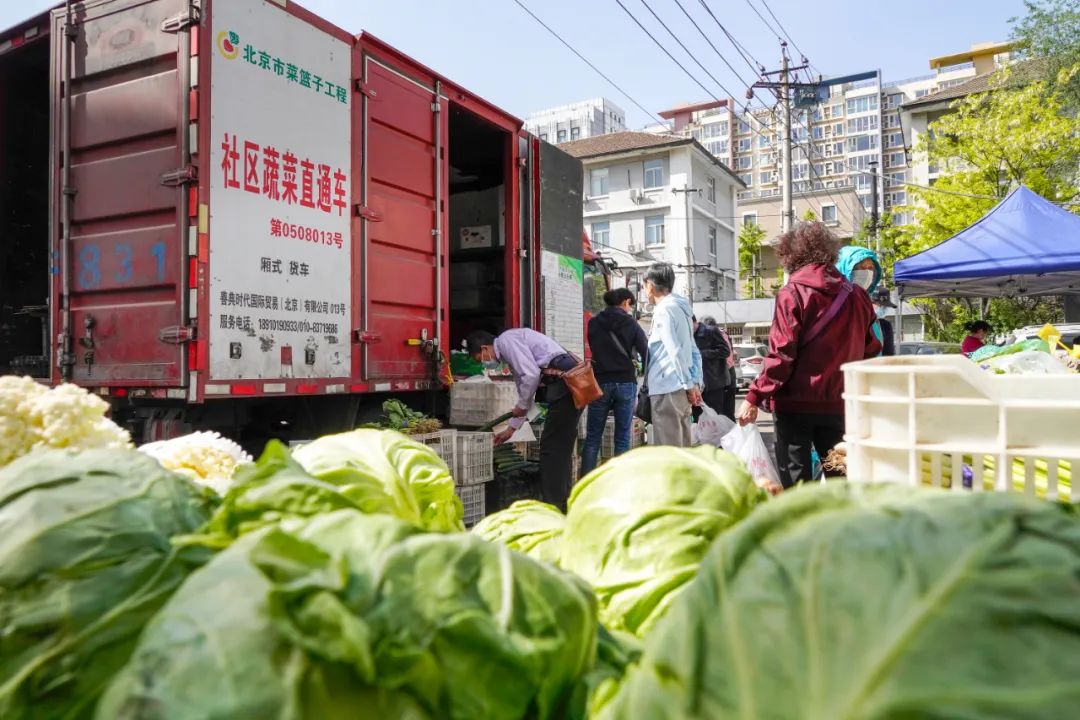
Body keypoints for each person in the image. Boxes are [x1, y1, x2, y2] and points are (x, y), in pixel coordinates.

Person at [737, 221, 881, 489]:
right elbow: (872, 348)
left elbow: (781, 356)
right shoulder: (858, 296)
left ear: (791, 255)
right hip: (839, 405)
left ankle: (807, 529)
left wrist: (754, 395)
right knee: (840, 480)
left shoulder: (792, 293)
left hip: (795, 408)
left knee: (799, 487)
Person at [466, 328, 581, 511]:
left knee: (551, 448)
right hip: (569, 381)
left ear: (485, 348)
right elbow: (523, 384)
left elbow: (530, 375)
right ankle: (564, 500)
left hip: (564, 382)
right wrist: (512, 428)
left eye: (482, 358)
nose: (486, 363)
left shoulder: (506, 342)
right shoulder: (509, 345)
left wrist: (521, 406)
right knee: (560, 445)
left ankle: (553, 504)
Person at [581, 288, 648, 475]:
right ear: (625, 302)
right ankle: (618, 483)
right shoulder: (631, 324)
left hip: (600, 382)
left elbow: (594, 347)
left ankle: (585, 483)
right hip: (625, 382)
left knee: (593, 437)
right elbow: (646, 352)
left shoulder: (593, 323)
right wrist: (643, 373)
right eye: (630, 305)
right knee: (622, 437)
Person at [643, 263, 703, 447]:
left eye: (644, 286)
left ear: (651, 286)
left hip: (667, 387)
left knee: (669, 453)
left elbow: (674, 350)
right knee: (682, 448)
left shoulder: (664, 310)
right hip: (681, 389)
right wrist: (695, 383)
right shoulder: (682, 309)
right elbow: (694, 351)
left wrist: (689, 384)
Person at [836, 245, 887, 356]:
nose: (867, 273)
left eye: (871, 268)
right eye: (861, 268)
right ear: (845, 268)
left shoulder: (865, 305)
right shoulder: (837, 307)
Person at [692, 315, 735, 422]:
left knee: (715, 417)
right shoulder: (687, 336)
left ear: (693, 321)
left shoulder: (711, 331)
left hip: (714, 383)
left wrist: (702, 354)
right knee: (698, 418)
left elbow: (725, 351)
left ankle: (717, 438)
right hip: (696, 384)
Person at [872, 287, 897, 357]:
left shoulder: (885, 325)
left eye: (886, 306)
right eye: (882, 305)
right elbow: (889, 354)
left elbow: (888, 353)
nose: (885, 308)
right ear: (871, 303)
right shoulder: (885, 325)